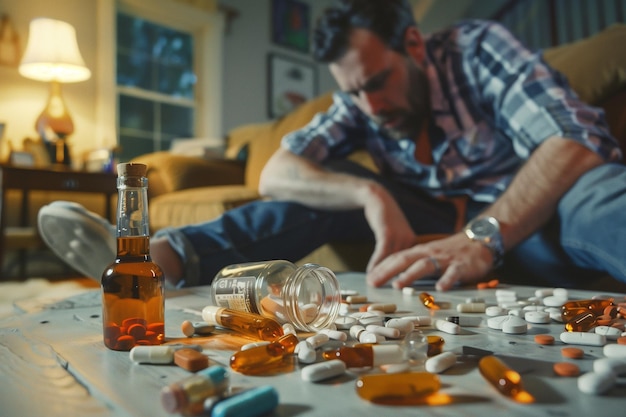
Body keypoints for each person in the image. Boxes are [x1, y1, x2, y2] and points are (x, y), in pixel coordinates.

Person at [39, 0, 625, 292]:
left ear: (416, 46)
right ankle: (152, 263)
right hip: (432, 216)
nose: (367, 105)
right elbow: (276, 173)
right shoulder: (358, 100)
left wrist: (484, 236)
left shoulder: (476, 49)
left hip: (533, 211)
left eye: (376, 83)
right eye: (352, 92)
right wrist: (369, 192)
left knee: (596, 194)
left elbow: (576, 137)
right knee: (327, 185)